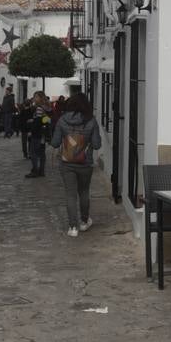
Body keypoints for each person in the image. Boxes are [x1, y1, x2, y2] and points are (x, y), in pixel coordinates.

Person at [49, 92, 102, 236]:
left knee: (70, 195)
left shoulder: (62, 120)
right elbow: (97, 145)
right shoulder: (91, 121)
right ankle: (84, 222)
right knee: (84, 192)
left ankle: (73, 228)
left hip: (67, 163)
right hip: (85, 163)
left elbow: (54, 142)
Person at [25, 92, 52, 178]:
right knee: (42, 153)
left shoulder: (39, 108)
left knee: (34, 152)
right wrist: (33, 120)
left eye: (35, 97)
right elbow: (45, 120)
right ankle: (41, 171)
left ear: (40, 98)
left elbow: (38, 122)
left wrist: (31, 130)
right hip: (43, 133)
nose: (34, 98)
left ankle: (35, 170)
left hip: (37, 133)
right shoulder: (47, 108)